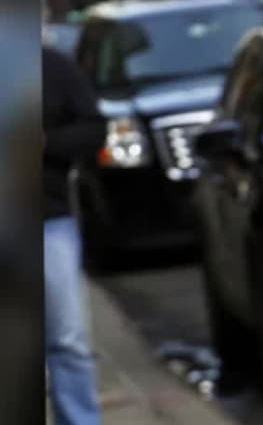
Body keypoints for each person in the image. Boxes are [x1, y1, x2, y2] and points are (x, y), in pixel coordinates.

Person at [43, 44, 106, 425]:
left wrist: (47, 142)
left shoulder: (52, 66)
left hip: (47, 220)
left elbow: (93, 128)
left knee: (67, 339)